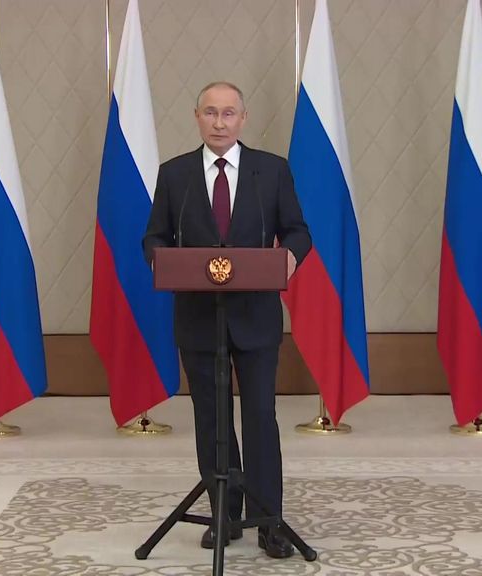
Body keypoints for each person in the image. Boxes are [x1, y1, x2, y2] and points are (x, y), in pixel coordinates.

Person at [142, 81, 311, 559]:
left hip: (255, 316)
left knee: (259, 418)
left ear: (243, 118)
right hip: (199, 318)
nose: (219, 122)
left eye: (228, 113)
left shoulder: (270, 171)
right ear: (197, 116)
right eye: (211, 113)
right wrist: (161, 260)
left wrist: (290, 257)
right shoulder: (174, 173)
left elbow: (298, 231)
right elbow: (154, 237)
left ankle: (268, 520)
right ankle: (224, 515)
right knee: (211, 418)